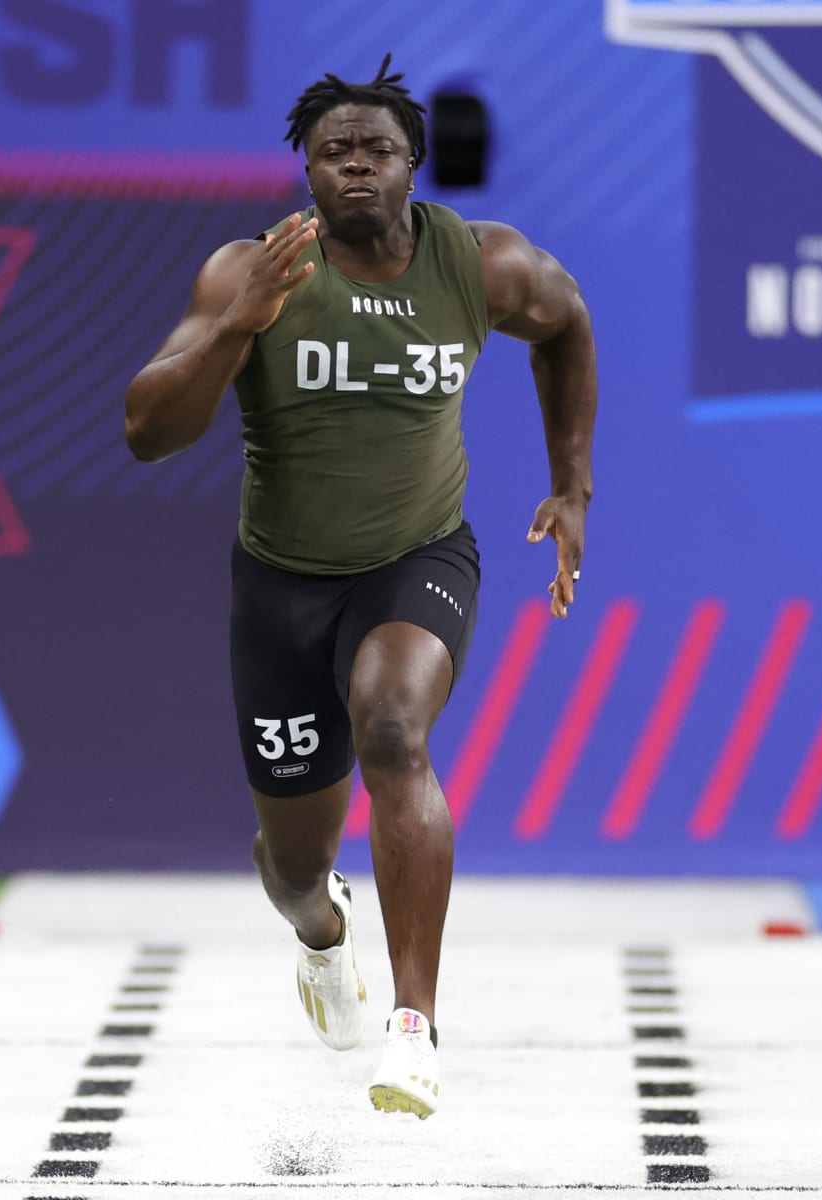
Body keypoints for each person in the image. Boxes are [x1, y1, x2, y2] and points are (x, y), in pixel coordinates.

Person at [123, 55, 597, 1118]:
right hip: (281, 585)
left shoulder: (481, 263)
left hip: (416, 558)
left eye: (376, 149)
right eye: (333, 151)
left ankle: (414, 1027)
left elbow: (566, 324)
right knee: (293, 865)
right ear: (306, 169)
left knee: (392, 731)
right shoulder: (251, 270)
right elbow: (147, 430)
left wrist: (572, 487)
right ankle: (323, 937)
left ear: (412, 164)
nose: (355, 165)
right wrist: (239, 323)